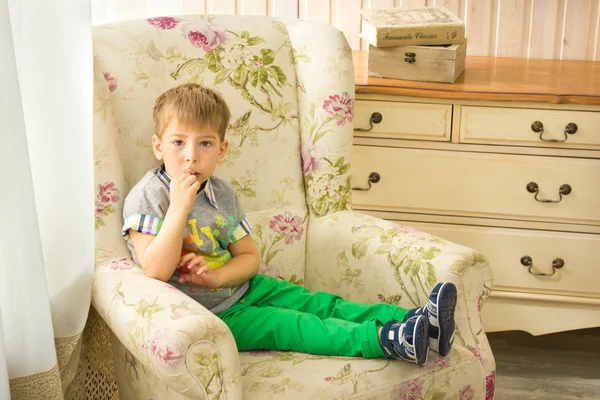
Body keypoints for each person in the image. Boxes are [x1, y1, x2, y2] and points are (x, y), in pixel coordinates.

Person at [122, 83, 457, 366]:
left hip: (245, 287)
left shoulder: (221, 194)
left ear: (221, 150)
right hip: (217, 316)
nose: (191, 156)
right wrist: (180, 207)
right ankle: (387, 340)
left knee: (322, 304)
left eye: (205, 143)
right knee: (296, 325)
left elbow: (248, 259)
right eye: (178, 142)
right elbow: (154, 270)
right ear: (158, 146)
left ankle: (417, 320)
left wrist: (217, 277)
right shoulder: (150, 197)